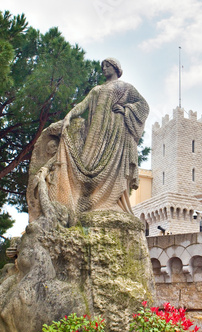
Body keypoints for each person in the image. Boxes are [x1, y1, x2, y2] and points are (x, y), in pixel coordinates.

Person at [32, 57, 149, 217]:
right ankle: (82, 202)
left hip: (115, 134)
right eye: (103, 66)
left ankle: (111, 203)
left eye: (107, 66)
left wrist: (126, 110)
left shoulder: (125, 87)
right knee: (87, 162)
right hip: (95, 134)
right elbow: (83, 104)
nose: (104, 69)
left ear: (115, 68)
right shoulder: (97, 89)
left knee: (113, 170)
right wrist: (69, 115)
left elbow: (143, 106)